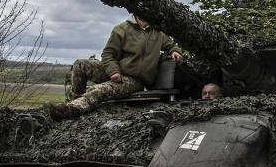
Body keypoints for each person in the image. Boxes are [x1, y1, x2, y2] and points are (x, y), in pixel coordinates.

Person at [44, 15, 182, 120]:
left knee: (100, 89)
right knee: (80, 65)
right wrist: (114, 71)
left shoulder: (158, 32)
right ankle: (74, 102)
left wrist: (174, 51)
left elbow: (170, 44)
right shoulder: (122, 29)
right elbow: (108, 54)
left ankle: (71, 110)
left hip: (135, 80)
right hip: (118, 71)